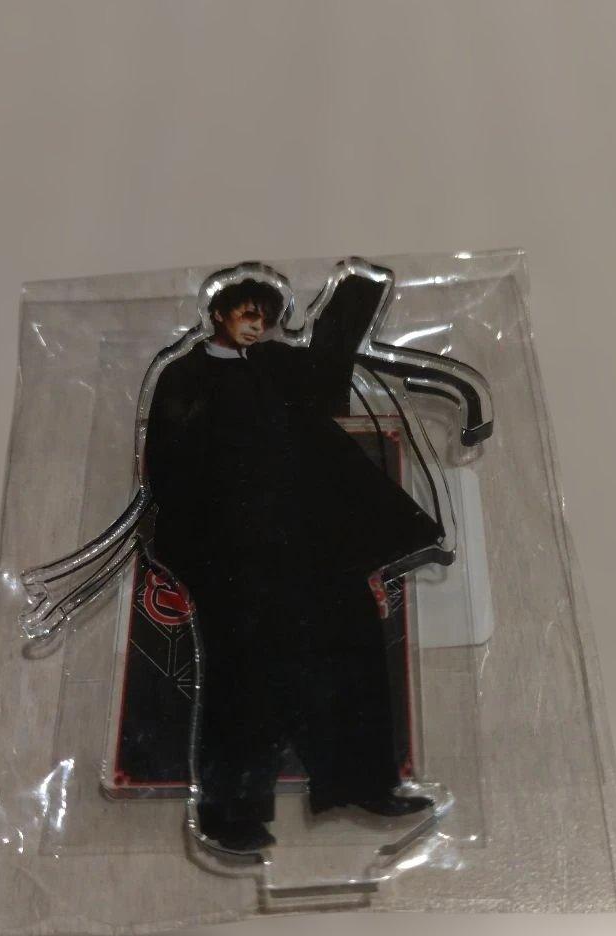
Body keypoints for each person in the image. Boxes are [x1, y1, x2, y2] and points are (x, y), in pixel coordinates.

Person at [145, 271, 445, 852]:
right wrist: (202, 546)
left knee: (353, 646)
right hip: (231, 556)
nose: (257, 325)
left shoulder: (278, 365)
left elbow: (328, 377)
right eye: (246, 313)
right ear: (218, 314)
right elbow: (167, 466)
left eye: (266, 315)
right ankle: (230, 811)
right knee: (243, 676)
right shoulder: (185, 377)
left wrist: (355, 296)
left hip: (310, 545)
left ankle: (363, 783)